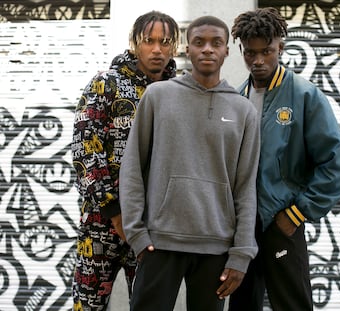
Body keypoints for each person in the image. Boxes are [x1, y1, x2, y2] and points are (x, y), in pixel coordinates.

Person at [119, 15, 260, 311]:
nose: (207, 49)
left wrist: (241, 253)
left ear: (226, 51)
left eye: (216, 43)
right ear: (186, 49)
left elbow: (246, 187)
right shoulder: (158, 97)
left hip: (216, 248)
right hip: (160, 244)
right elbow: (132, 168)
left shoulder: (243, 110)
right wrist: (137, 234)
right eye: (199, 42)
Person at [229, 7, 340, 311]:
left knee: (292, 305)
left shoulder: (303, 94)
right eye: (250, 53)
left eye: (267, 51)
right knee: (242, 305)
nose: (258, 60)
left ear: (280, 48)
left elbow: (335, 164)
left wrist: (297, 213)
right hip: (243, 227)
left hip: (281, 223)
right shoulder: (237, 97)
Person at [71, 11, 179, 311]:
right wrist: (114, 211)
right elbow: (85, 150)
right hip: (101, 224)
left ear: (175, 46)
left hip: (151, 226)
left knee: (149, 305)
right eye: (149, 41)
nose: (157, 49)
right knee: (87, 306)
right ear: (134, 43)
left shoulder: (179, 93)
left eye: (165, 41)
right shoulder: (106, 84)